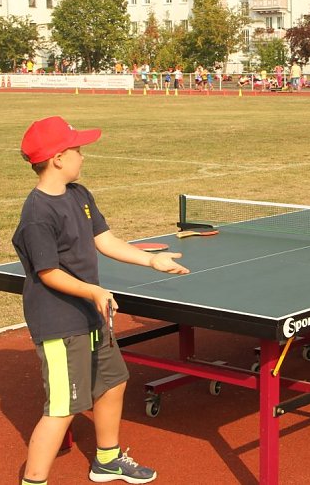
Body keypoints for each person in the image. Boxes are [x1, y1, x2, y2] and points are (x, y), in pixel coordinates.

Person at [13, 116, 189, 484]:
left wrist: (151, 259)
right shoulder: (37, 214)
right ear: (58, 158)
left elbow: (105, 240)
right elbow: (48, 273)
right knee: (62, 407)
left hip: (91, 314)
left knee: (112, 382)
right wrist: (93, 290)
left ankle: (107, 461)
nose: (83, 156)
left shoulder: (79, 195)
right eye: (77, 149)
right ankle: (33, 479)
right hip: (60, 322)